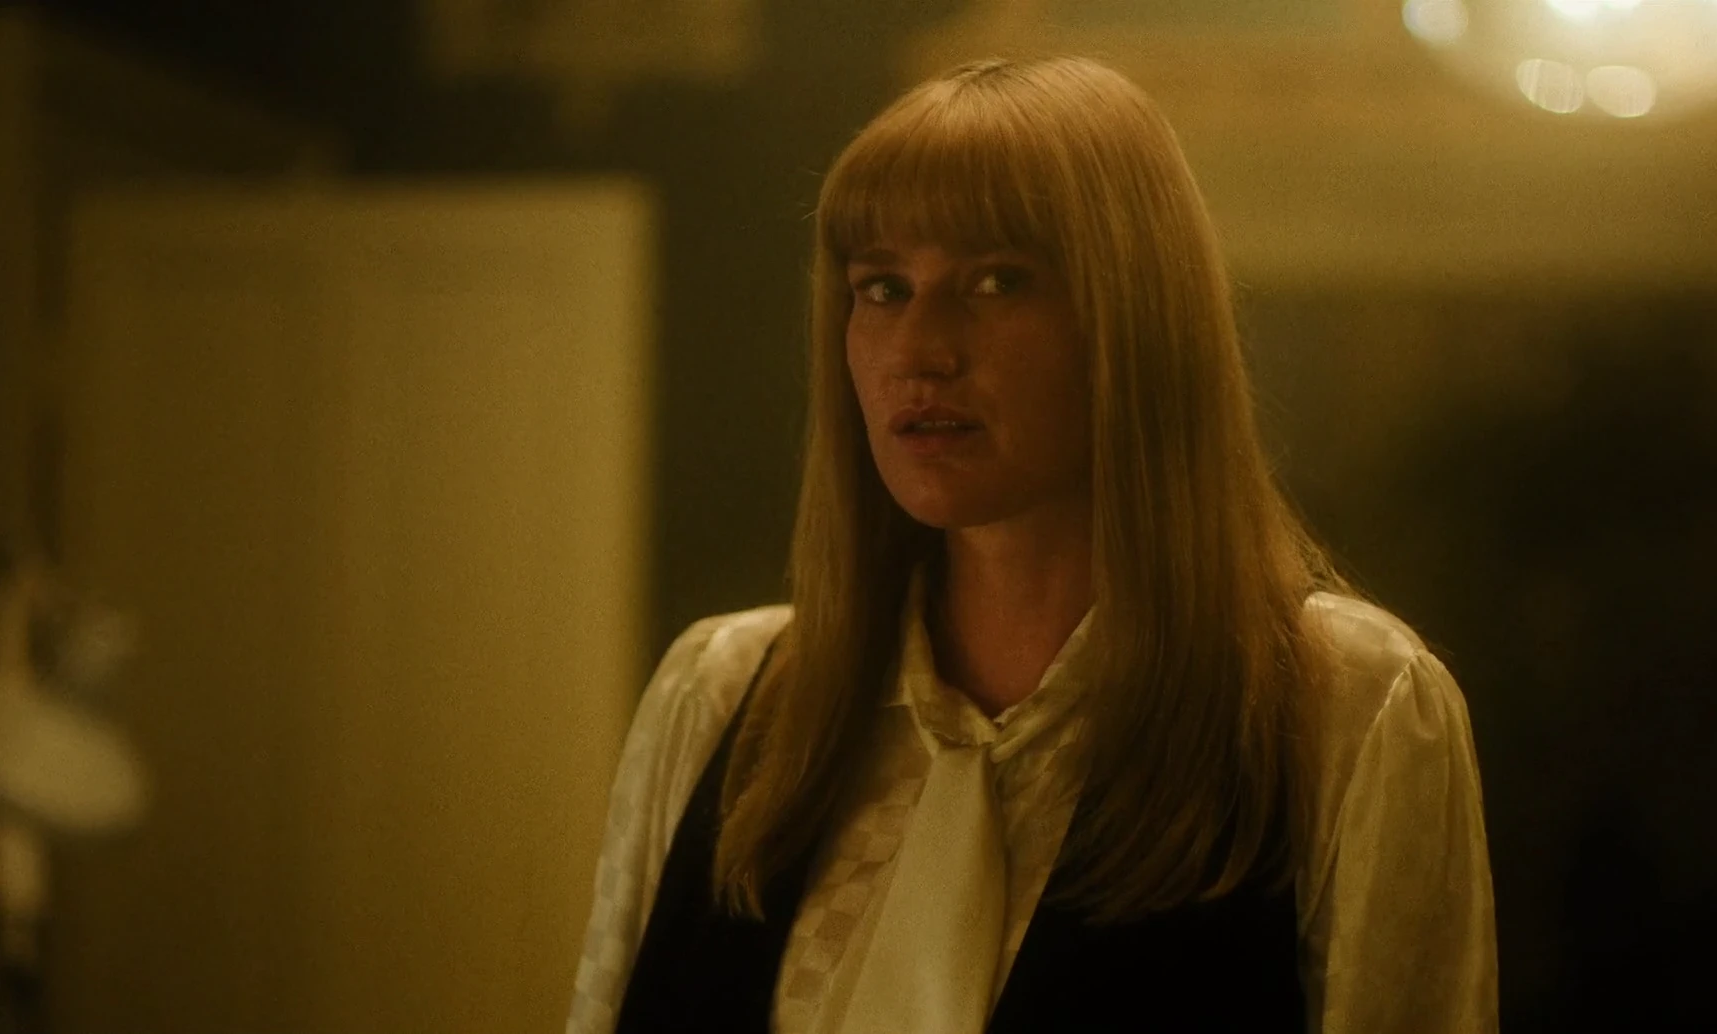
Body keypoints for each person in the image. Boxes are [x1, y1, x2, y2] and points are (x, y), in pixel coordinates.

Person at [567, 56, 1497, 1034]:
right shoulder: (724, 697)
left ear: (1133, 316)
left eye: (997, 281)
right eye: (882, 287)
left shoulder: (1340, 707)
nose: (920, 349)